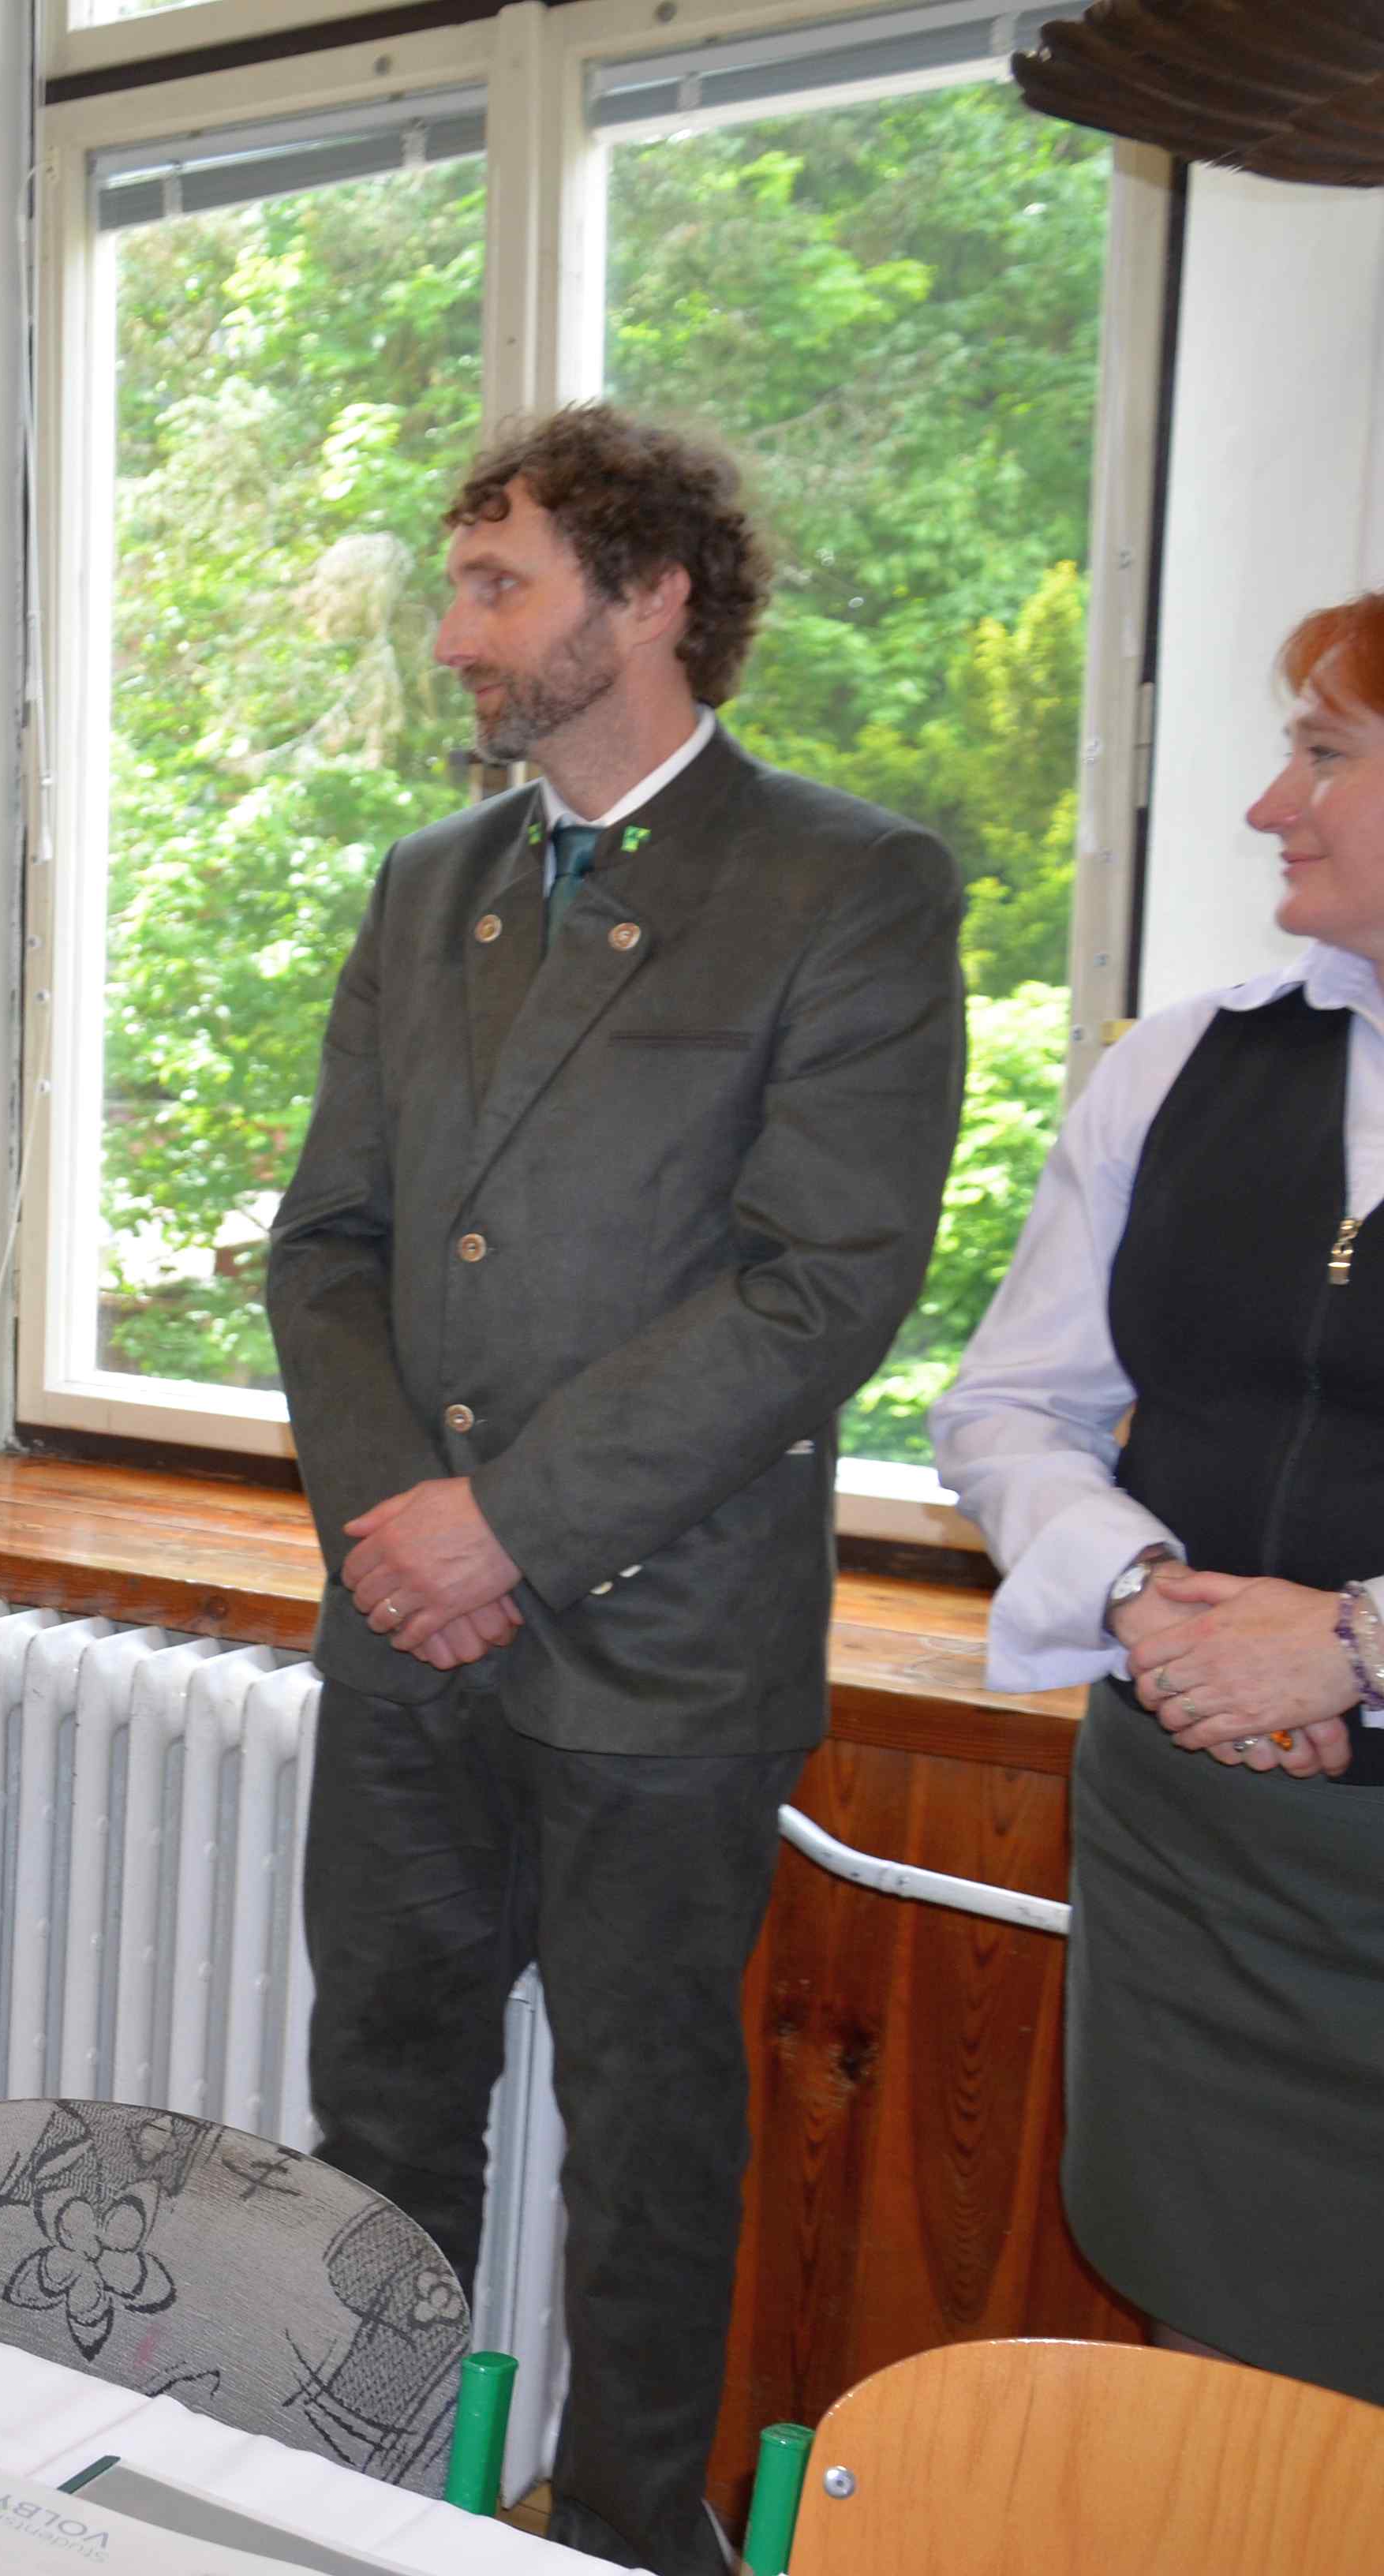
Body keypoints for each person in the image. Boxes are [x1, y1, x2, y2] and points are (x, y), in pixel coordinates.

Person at [266, 406, 966, 2573]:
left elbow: (820, 1283)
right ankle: (369, 2509)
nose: (453, 634)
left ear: (652, 600)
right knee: (381, 2112)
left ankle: (635, 2529)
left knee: (648, 2148)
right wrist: (405, 1529)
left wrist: (510, 1528)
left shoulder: (845, 883)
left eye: (499, 587)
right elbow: (331, 1245)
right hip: (406, 1634)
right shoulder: (429, 884)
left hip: (663, 1651)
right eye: (457, 587)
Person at [930, 592, 1384, 2409]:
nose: (1271, 805)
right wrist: (1145, 1601)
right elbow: (1011, 1405)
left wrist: (1354, 1643)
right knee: (1224, 2398)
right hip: (1204, 1859)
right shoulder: (1182, 1061)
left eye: (1325, 755)